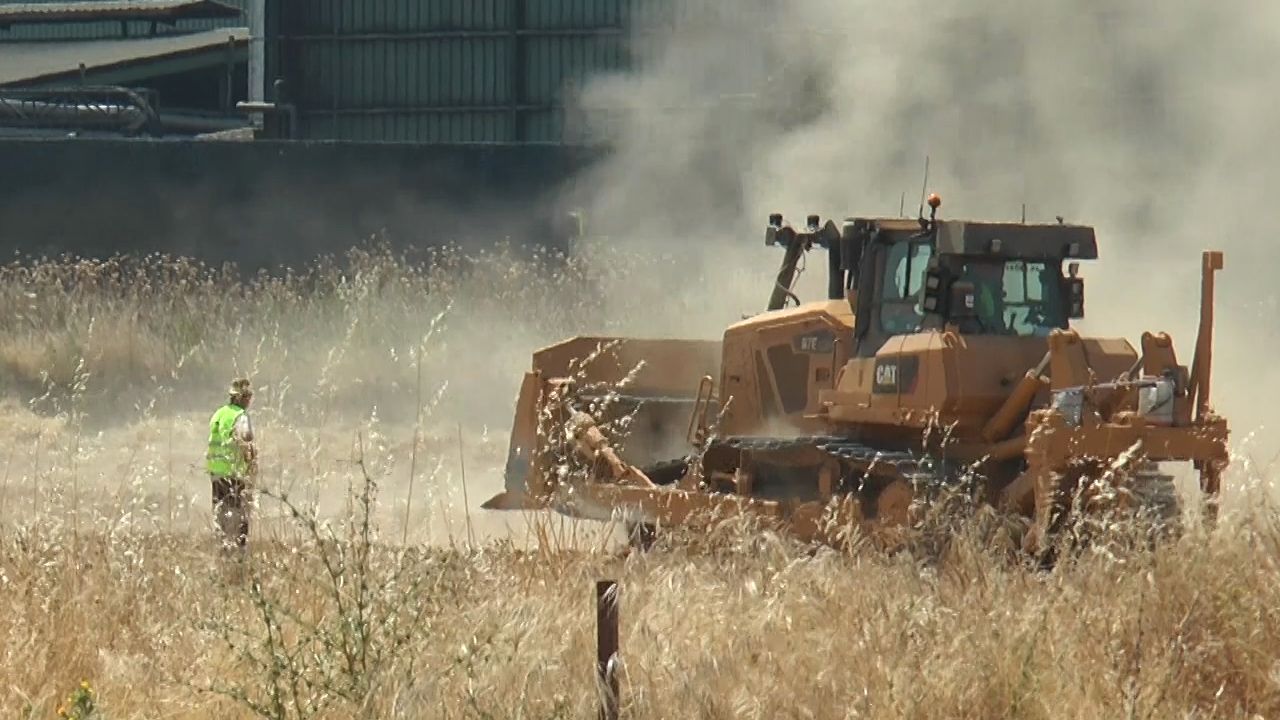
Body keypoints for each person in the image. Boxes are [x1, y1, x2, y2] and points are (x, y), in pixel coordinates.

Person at [206, 378, 258, 554]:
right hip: (234, 473)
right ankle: (238, 553)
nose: (249, 400)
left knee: (220, 513)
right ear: (242, 398)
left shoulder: (219, 413)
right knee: (239, 515)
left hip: (216, 472)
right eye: (248, 396)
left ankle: (221, 548)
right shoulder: (240, 416)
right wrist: (251, 461)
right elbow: (246, 438)